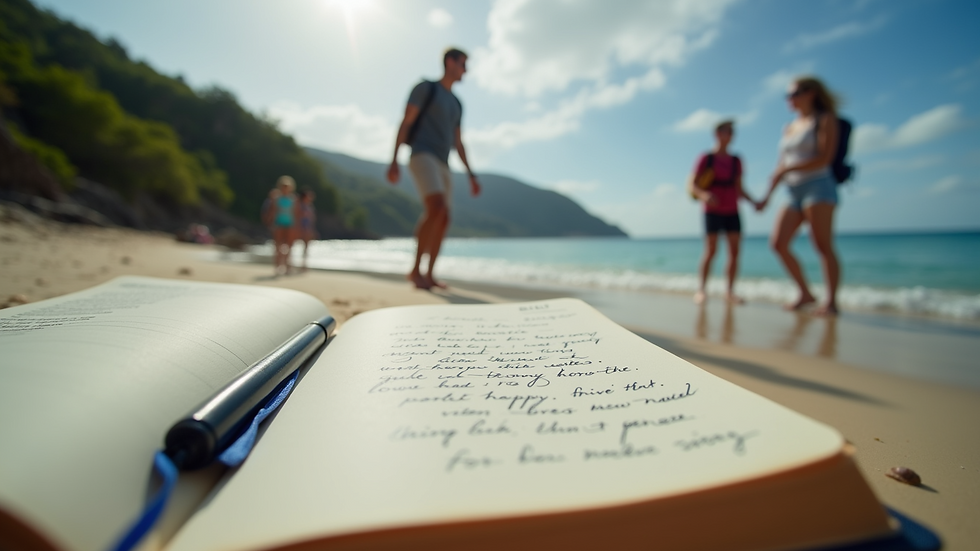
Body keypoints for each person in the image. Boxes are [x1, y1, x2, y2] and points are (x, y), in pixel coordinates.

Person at [387, 47, 481, 290]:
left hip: (443, 161)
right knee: (436, 207)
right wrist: (394, 159)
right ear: (450, 62)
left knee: (445, 216)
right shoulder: (425, 88)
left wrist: (471, 174)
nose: (465, 70)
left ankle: (429, 274)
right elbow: (406, 122)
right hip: (421, 153)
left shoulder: (458, 104)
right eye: (463, 64)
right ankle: (415, 270)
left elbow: (458, 141)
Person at [757, 76, 842, 316]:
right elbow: (780, 165)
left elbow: (825, 158)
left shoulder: (825, 120)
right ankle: (805, 292)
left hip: (819, 186)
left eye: (793, 94)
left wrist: (789, 169)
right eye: (788, 95)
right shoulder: (790, 127)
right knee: (778, 243)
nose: (789, 99)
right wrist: (767, 197)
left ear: (810, 93)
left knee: (822, 245)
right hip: (792, 190)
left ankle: (831, 302)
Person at [687, 120, 758, 305]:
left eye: (733, 132)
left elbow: (740, 188)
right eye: (727, 131)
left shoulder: (737, 160)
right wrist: (704, 195)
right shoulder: (706, 157)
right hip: (712, 210)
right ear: (717, 134)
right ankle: (701, 290)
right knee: (711, 250)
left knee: (734, 252)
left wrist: (754, 203)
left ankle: (730, 291)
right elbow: (692, 185)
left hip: (733, 210)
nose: (731, 135)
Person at [262, 176, 298, 276]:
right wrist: (269, 221)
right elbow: (273, 211)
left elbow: (295, 213)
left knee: (289, 247)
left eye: (287, 186)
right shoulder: (276, 198)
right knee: (277, 246)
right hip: (278, 223)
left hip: (290, 224)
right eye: (283, 186)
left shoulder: (293, 199)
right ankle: (278, 266)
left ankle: (287, 266)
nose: (285, 188)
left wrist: (296, 226)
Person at [296, 188, 317, 272]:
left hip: (307, 228)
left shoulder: (310, 207)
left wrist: (312, 230)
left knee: (306, 248)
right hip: (299, 227)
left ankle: (303, 264)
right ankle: (289, 263)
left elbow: (311, 219)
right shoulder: (299, 205)